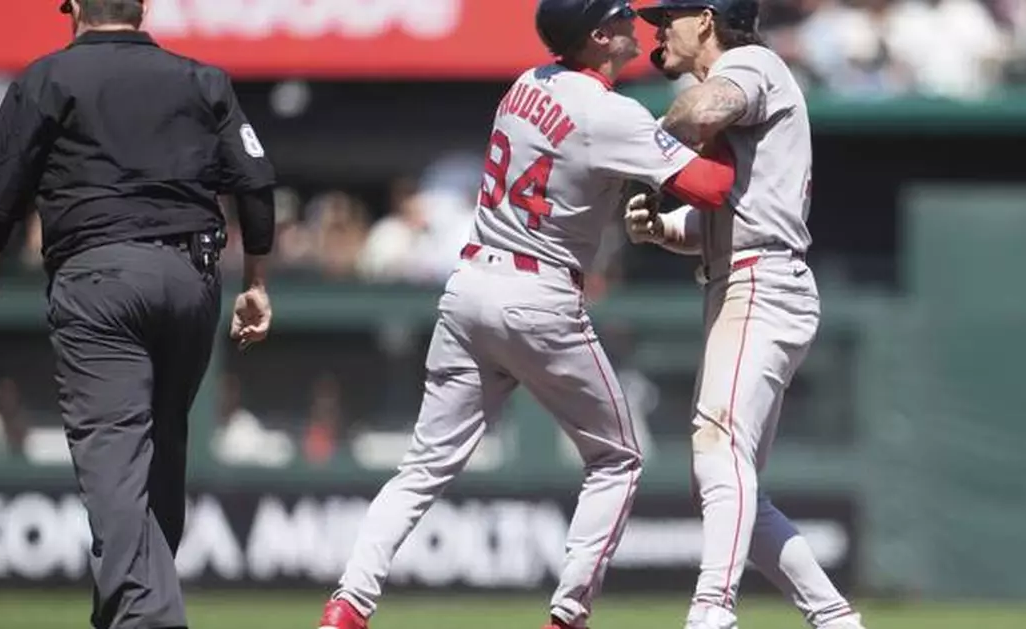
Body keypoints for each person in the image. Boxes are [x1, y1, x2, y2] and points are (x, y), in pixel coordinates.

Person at [315, 2, 735, 629]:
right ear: (597, 36)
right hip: (538, 294)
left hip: (471, 282)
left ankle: (348, 605)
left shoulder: (524, 84)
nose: (633, 25)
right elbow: (712, 189)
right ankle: (567, 617)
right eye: (621, 17)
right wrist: (735, 122)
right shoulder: (609, 111)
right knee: (618, 458)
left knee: (423, 468)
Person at [0, 1, 277, 627]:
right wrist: (258, 282)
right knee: (158, 461)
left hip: (99, 281)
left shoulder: (48, 77)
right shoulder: (201, 77)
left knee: (117, 469)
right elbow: (256, 182)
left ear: (74, 6)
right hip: (191, 279)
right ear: (145, 7)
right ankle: (133, 615)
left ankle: (150, 621)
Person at [625, 2, 867, 628]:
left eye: (669, 16)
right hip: (745, 276)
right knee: (731, 484)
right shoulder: (737, 76)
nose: (658, 29)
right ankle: (836, 620)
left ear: (705, 19)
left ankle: (711, 612)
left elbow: (700, 112)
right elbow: (726, 220)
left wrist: (644, 146)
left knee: (718, 447)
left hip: (762, 282)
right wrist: (664, 228)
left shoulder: (750, 61)